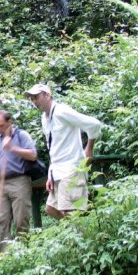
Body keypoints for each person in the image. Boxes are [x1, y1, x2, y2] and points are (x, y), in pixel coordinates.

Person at [23, 84, 102, 220]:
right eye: (31, 99)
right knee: (51, 209)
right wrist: (50, 174)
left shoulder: (62, 111)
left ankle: (80, 237)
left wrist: (89, 148)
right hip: (58, 171)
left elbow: (94, 125)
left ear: (47, 95)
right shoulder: (44, 118)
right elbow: (53, 147)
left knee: (71, 213)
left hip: (72, 169)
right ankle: (79, 235)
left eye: (36, 97)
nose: (34, 101)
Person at [0, 110, 38, 250]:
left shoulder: (21, 135)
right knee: (1, 222)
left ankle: (23, 253)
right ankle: (5, 258)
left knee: (21, 221)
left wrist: (12, 148)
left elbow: (33, 155)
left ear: (9, 122)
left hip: (19, 181)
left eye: (1, 126)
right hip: (0, 185)